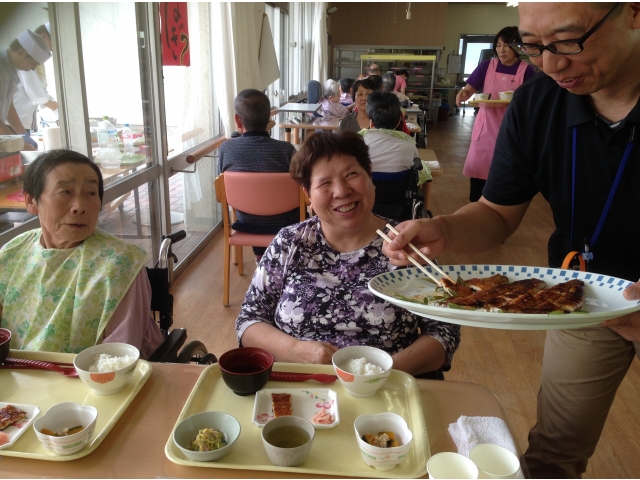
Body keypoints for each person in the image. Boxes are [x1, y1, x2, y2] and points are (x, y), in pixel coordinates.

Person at [383, 2, 640, 477]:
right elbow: (497, 213)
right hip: (584, 296)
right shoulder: (538, 102)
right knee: (554, 453)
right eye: (533, 46)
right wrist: (446, 228)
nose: (551, 63)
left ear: (632, 12)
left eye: (567, 41)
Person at [235, 132, 459, 376]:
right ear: (308, 194)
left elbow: (444, 330)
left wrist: (381, 373)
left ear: (370, 175)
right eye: (325, 183)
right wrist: (295, 350)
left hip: (390, 389)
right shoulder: (289, 242)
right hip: (300, 388)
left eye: (351, 174)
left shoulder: (406, 243)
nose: (341, 191)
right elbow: (249, 320)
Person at [0, 150, 164, 358]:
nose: (79, 207)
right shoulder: (13, 252)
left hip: (89, 374)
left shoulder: (121, 264)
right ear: (32, 201)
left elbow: (118, 356)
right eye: (65, 192)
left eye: (91, 193)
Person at [455, 26, 536, 202]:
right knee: (479, 175)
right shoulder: (486, 66)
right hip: (485, 130)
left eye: (507, 45)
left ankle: (497, 209)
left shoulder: (527, 71)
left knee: (504, 175)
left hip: (511, 130)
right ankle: (476, 206)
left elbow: (531, 102)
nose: (501, 50)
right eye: (498, 45)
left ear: (518, 47)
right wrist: (462, 94)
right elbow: (468, 90)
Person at [218, 89, 299, 262]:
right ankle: (286, 259)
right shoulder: (286, 150)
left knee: (255, 206)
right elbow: (302, 186)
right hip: (287, 224)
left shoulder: (226, 149)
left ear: (237, 120)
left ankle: (262, 258)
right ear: (269, 118)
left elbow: (222, 192)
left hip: (248, 222)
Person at [0, 30, 51, 151]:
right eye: (33, 63)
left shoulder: (11, 68)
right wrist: (20, 144)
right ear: (21, 53)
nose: (33, 68)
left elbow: (8, 104)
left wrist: (23, 134)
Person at [13, 24, 58, 144]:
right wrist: (56, 109)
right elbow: (36, 93)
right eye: (33, 64)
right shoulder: (25, 59)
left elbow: (40, 90)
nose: (32, 68)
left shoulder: (29, 59)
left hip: (18, 125)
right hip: (14, 125)